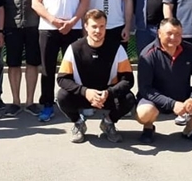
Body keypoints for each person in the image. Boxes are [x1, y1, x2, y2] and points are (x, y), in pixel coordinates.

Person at [136, 18, 192, 145]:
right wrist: (172, 104)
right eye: (169, 33)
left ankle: (190, 129)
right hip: (156, 100)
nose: (173, 38)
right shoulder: (148, 54)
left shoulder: (190, 50)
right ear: (159, 33)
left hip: (183, 96)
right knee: (145, 113)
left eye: (177, 34)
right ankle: (148, 128)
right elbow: (145, 89)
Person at [32, 0, 89, 122]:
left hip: (73, 28)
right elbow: (35, 3)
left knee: (74, 69)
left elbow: (84, 1)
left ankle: (76, 104)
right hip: (48, 28)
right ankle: (48, 105)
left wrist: (72, 22)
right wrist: (54, 21)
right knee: (47, 69)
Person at [57, 9, 136, 143]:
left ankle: (108, 122)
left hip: (107, 96)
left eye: (101, 26)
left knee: (129, 98)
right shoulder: (74, 49)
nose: (98, 31)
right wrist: (85, 91)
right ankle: (78, 123)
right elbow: (62, 78)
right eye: (94, 26)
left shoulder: (117, 48)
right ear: (86, 26)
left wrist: (109, 92)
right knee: (62, 96)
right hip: (83, 95)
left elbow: (128, 80)